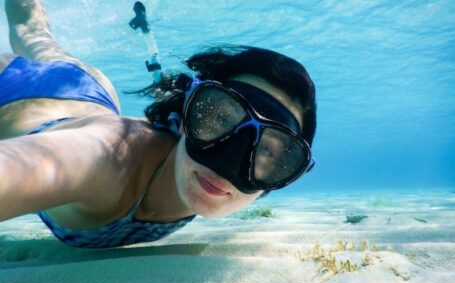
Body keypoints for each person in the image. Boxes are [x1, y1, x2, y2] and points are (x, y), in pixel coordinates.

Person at [0, 0, 317, 248]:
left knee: (32, 31)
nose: (227, 165)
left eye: (269, 154)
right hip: (14, 93)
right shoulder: (110, 157)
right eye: (220, 118)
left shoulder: (193, 169)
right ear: (185, 117)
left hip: (92, 92)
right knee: (29, 30)